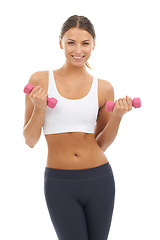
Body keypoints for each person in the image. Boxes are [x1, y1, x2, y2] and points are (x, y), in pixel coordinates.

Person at [23, 15, 132, 240]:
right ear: (60, 42)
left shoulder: (104, 88)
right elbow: (30, 140)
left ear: (93, 44)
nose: (78, 50)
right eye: (71, 42)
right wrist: (39, 108)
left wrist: (118, 117)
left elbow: (101, 144)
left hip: (99, 178)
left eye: (85, 43)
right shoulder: (40, 80)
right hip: (59, 182)